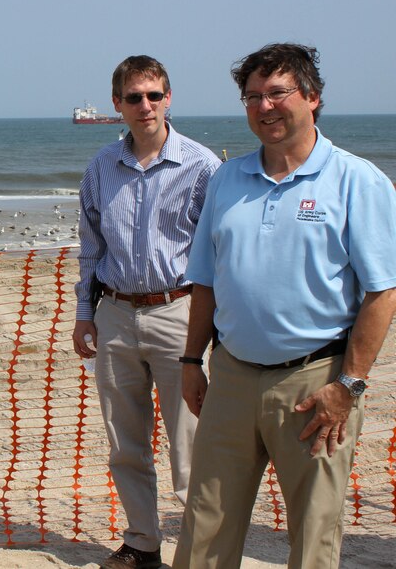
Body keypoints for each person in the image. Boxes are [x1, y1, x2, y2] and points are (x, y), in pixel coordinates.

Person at [174, 43, 396, 568]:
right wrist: (190, 361)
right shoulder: (227, 179)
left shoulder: (356, 180)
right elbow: (205, 282)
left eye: (278, 93)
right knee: (205, 524)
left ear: (313, 97)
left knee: (314, 531)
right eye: (253, 97)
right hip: (229, 376)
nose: (265, 107)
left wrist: (349, 385)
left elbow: (382, 292)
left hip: (316, 382)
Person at [71, 56, 221, 569]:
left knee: (189, 447)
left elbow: (218, 254)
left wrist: (211, 330)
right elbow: (91, 247)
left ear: (169, 98)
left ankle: (200, 550)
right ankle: (142, 543)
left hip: (179, 314)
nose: (145, 106)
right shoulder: (99, 167)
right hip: (114, 314)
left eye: (154, 95)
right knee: (125, 443)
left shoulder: (202, 166)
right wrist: (85, 313)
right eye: (133, 97)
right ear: (117, 104)